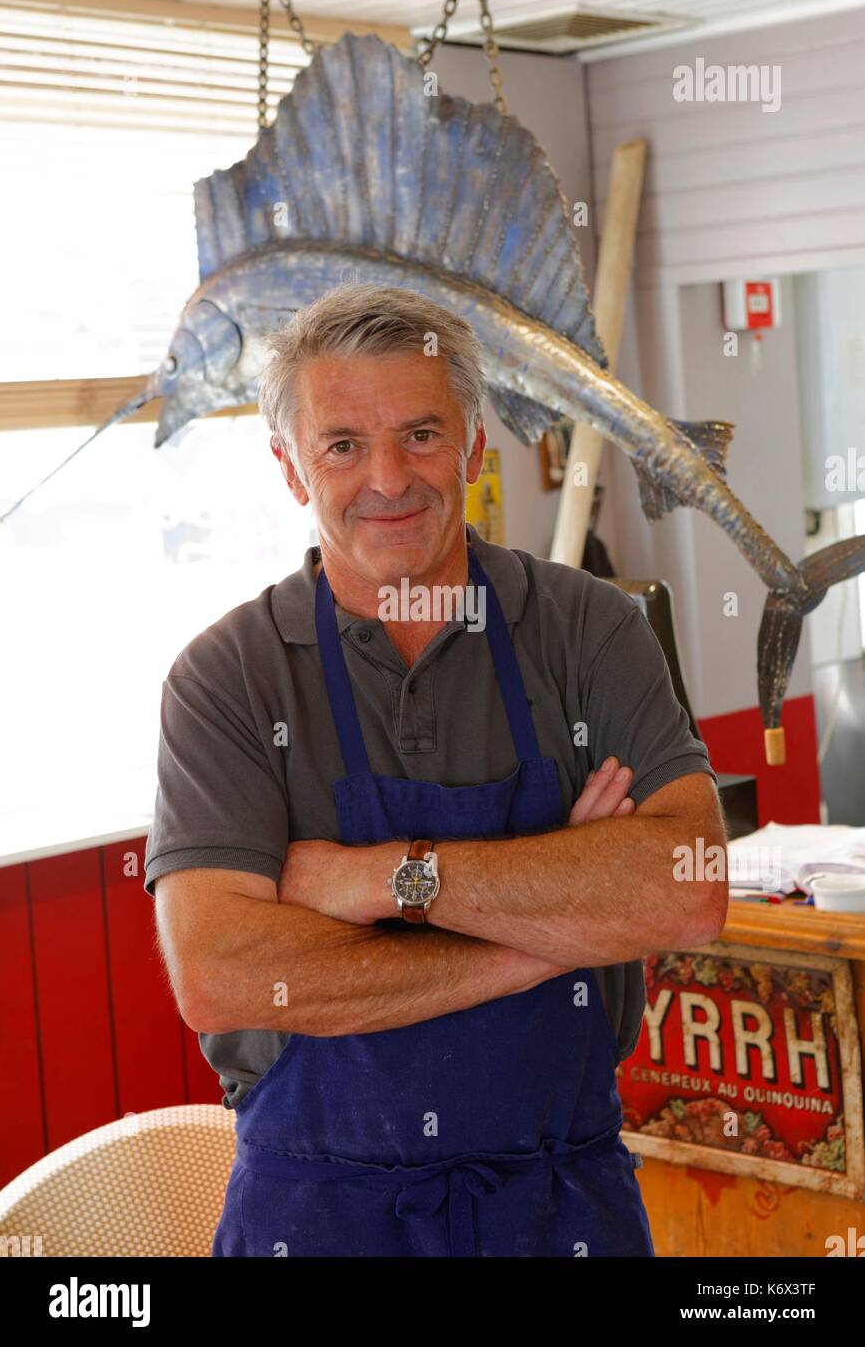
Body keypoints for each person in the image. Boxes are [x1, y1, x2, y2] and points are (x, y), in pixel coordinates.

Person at [144, 282, 727, 1258]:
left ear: (472, 446)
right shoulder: (228, 678)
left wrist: (378, 877)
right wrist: (548, 937)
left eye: (420, 434)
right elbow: (222, 973)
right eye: (341, 444)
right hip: (317, 1215)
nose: (387, 477)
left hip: (557, 1207)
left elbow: (686, 889)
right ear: (290, 466)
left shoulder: (588, 631)